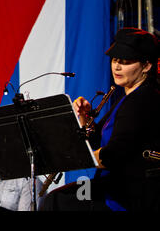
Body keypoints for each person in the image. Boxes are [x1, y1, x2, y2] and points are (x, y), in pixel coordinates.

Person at [40, 27, 160, 211]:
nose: (117, 67)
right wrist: (84, 118)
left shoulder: (141, 100)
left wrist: (71, 158)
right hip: (113, 185)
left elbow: (112, 155)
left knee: (57, 202)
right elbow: (99, 142)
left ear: (146, 66)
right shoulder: (128, 97)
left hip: (128, 194)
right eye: (115, 59)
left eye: (125, 61)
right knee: (56, 198)